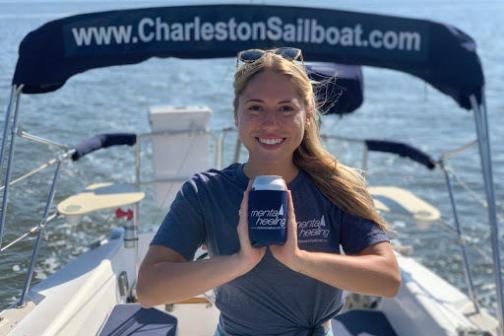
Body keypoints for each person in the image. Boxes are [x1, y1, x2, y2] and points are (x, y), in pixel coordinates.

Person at [137, 47, 401, 336]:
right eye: (255, 107)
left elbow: (388, 280)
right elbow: (149, 290)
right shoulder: (205, 192)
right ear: (236, 113)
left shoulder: (336, 187)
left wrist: (298, 259)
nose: (270, 123)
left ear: (308, 114)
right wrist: (240, 262)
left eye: (286, 108)